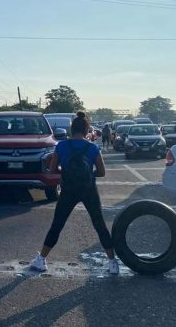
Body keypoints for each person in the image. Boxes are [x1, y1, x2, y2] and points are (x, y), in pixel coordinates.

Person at [30, 111, 119, 275]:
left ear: (72, 129)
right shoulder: (93, 147)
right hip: (89, 189)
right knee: (99, 224)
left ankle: (41, 260)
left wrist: (65, 171)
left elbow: (52, 170)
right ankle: (112, 262)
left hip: (68, 189)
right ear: (87, 131)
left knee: (57, 224)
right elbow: (101, 172)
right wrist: (87, 173)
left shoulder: (61, 146)